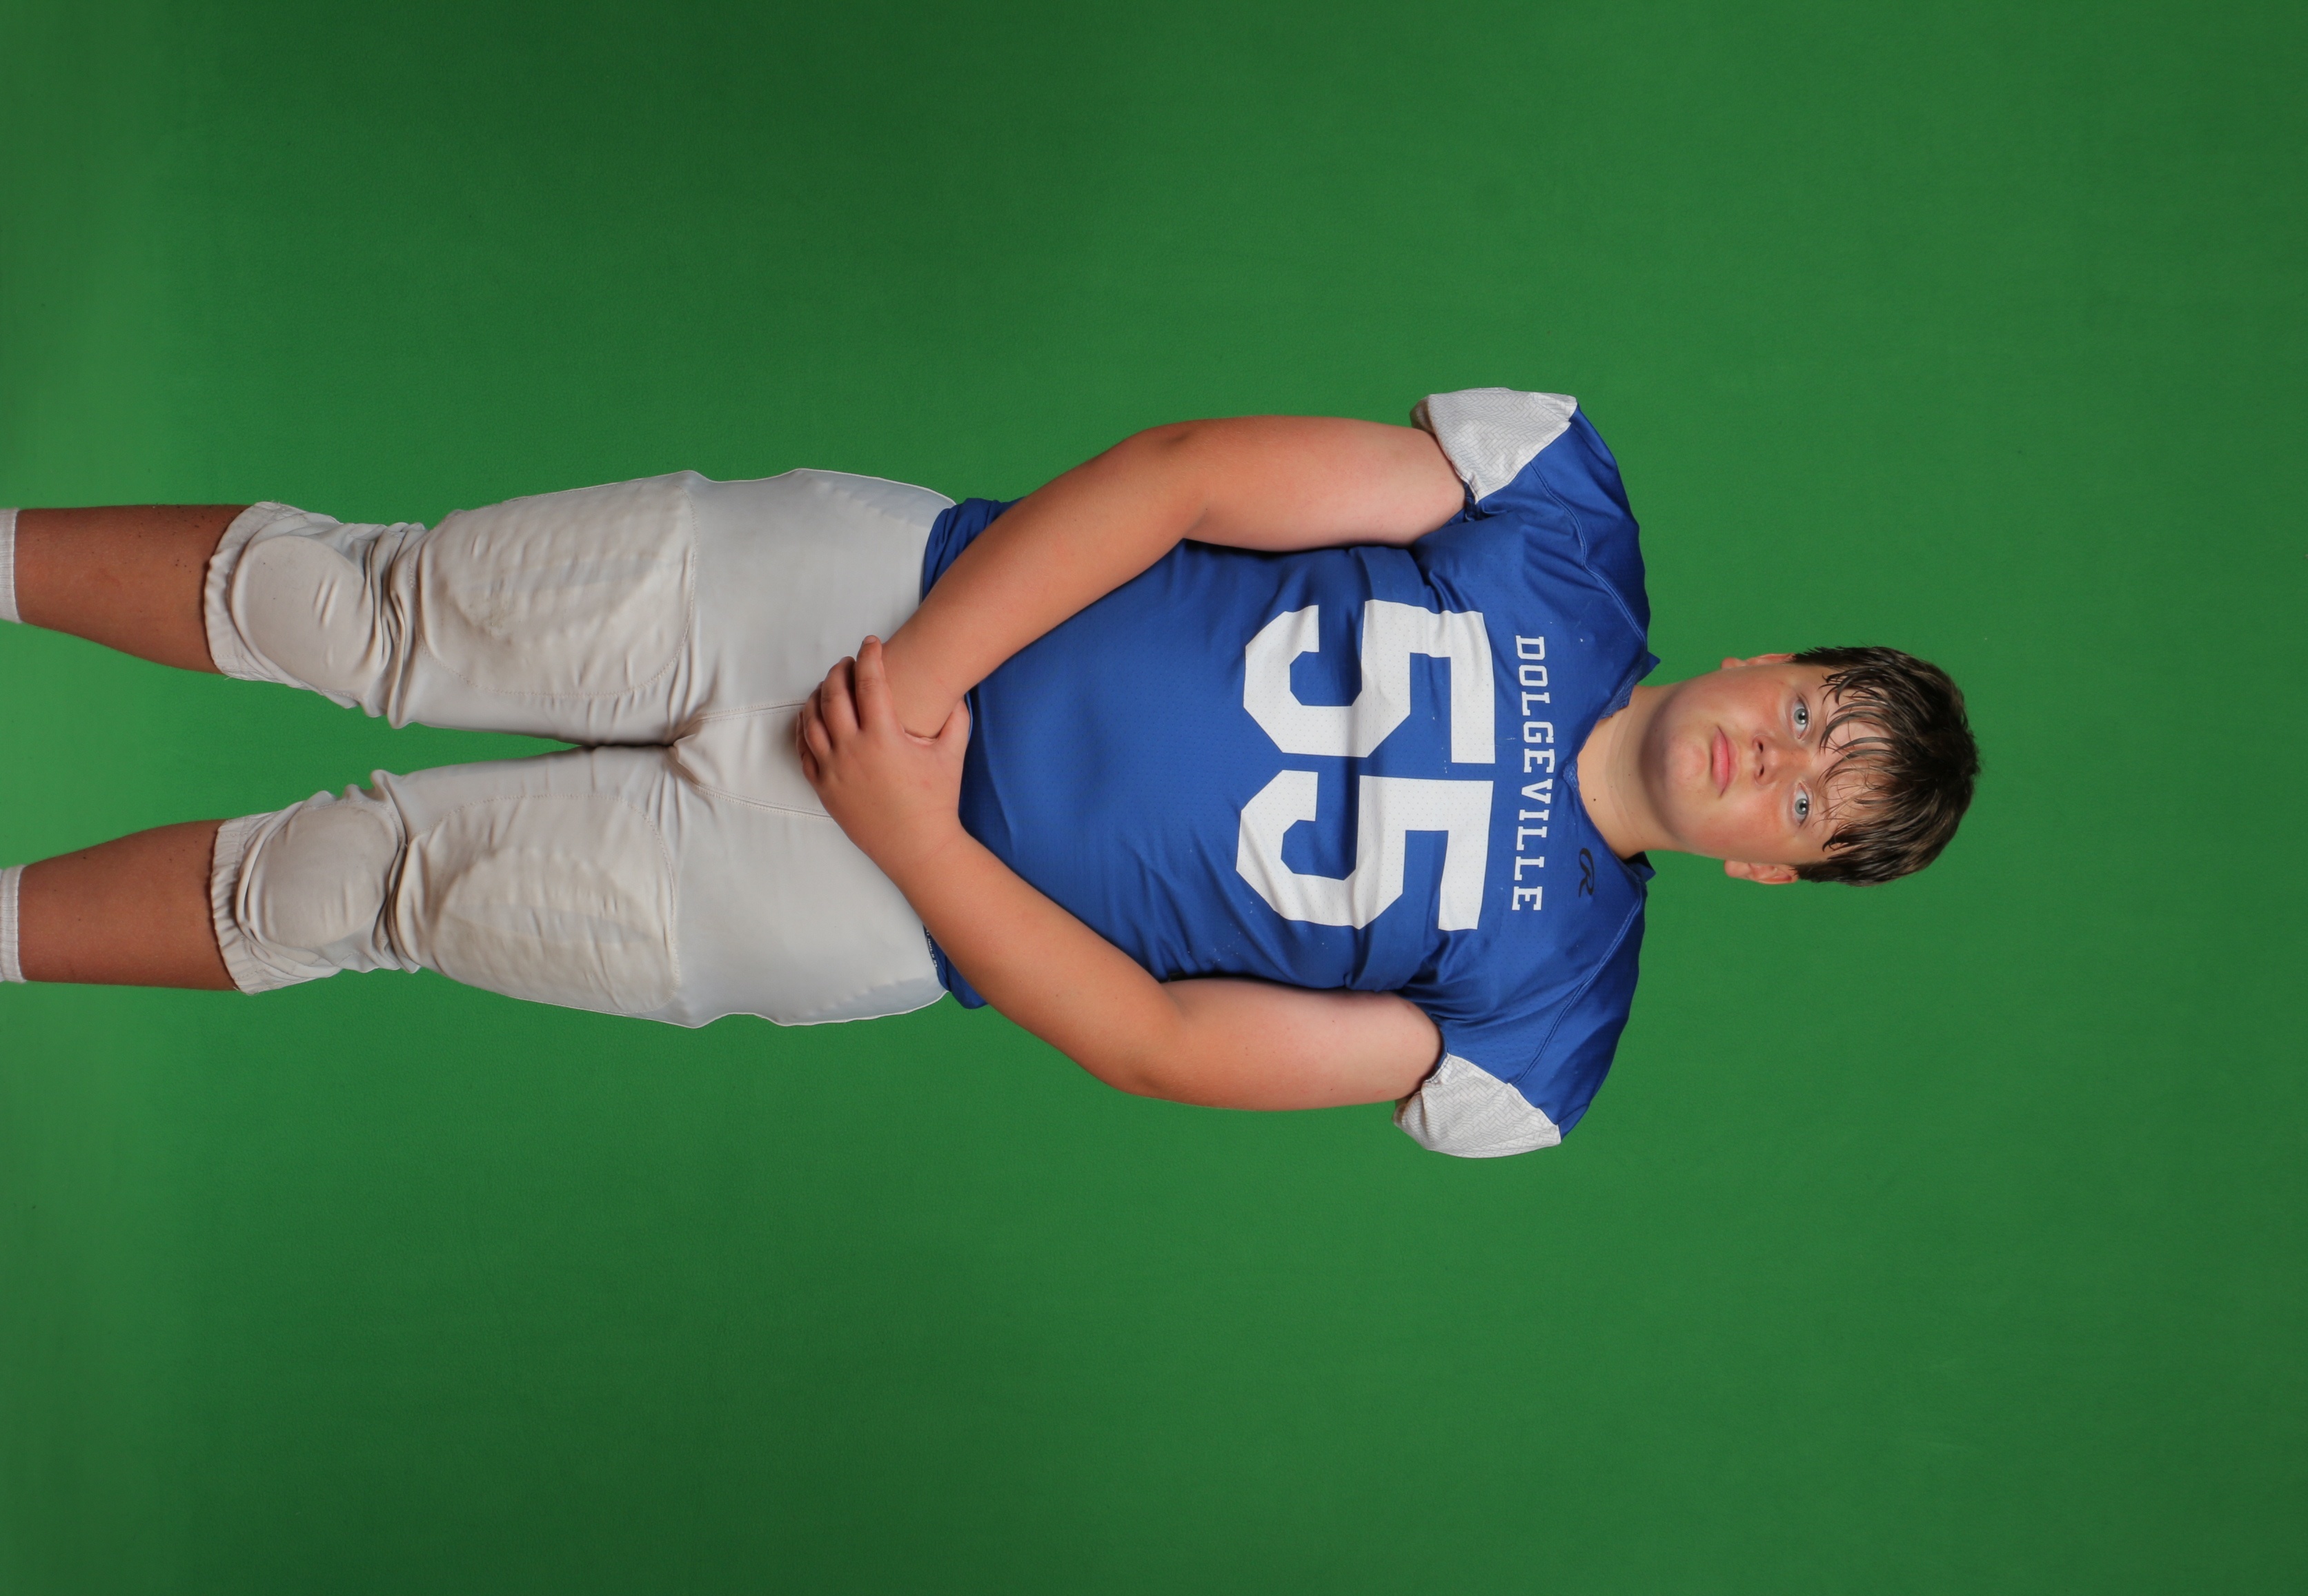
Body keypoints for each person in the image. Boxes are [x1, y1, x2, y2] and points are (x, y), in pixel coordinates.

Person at [0, 390, 1977, 1157]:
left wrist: (910, 827)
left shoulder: (1545, 1027)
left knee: (357, 891)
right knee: (382, 607)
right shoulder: (1552, 515)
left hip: (866, 896)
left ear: (1770, 871)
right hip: (868, 599)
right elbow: (1183, 479)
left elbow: (1166, 1043)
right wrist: (926, 677)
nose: (1780, 761)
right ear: (1770, 658)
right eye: (1816, 713)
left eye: (1812, 805)